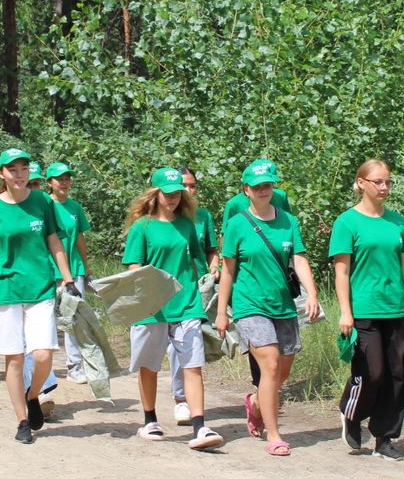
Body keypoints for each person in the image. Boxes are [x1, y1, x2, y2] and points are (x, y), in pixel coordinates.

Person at [213, 158, 321, 457]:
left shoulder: (288, 221)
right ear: (246, 190)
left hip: (283, 306)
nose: (263, 190)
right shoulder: (237, 224)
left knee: (281, 372)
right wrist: (222, 312)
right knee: (270, 366)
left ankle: (257, 402)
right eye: (257, 186)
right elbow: (229, 271)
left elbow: (298, 259)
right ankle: (274, 434)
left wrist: (311, 293)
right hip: (250, 305)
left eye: (268, 185)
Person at [331, 159, 404, 460]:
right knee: (372, 372)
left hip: (396, 309)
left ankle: (385, 436)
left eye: (388, 181)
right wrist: (345, 312)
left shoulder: (396, 221)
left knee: (398, 374)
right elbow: (342, 272)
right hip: (364, 310)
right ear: (361, 183)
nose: (384, 187)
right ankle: (352, 413)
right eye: (378, 181)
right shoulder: (347, 222)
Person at [0, 148, 74, 444]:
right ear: (1, 174)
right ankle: (22, 421)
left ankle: (34, 395)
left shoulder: (42, 201)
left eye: (24, 169)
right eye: (13, 169)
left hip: (40, 286)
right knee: (14, 359)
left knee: (43, 354)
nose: (19, 175)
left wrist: (67, 277)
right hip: (5, 289)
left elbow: (54, 240)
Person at [123, 168, 225, 451]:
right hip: (152, 307)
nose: (173, 198)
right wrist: (151, 282)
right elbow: (133, 266)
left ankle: (200, 426)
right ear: (155, 193)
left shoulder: (187, 225)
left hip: (187, 303)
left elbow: (197, 259)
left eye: (177, 193)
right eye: (167, 193)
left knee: (193, 366)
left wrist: (207, 287)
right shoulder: (141, 227)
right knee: (149, 366)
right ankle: (150, 420)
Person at [169, 167, 220, 423]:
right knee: (173, 348)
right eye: (183, 186)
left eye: (192, 186)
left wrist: (214, 265)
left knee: (192, 344)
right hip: (170, 289)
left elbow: (211, 249)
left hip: (198, 287)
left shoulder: (203, 217)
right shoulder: (163, 217)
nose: (188, 191)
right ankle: (180, 399)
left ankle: (189, 399)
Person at [45, 161, 92, 381]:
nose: (64, 183)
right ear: (49, 183)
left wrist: (85, 265)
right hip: (49, 271)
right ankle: (43, 368)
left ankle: (74, 365)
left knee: (73, 318)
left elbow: (80, 238)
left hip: (74, 270)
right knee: (48, 319)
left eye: (67, 179)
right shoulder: (45, 205)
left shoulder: (75, 207)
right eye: (59, 179)